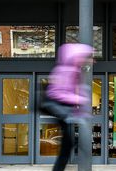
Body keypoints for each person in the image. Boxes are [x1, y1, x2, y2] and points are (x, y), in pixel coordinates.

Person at [41, 43, 93, 171]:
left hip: (63, 109)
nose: (88, 60)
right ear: (77, 56)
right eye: (86, 57)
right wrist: (78, 100)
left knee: (68, 144)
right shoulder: (65, 70)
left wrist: (81, 109)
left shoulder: (74, 70)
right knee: (68, 144)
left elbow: (76, 91)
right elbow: (56, 93)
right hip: (56, 106)